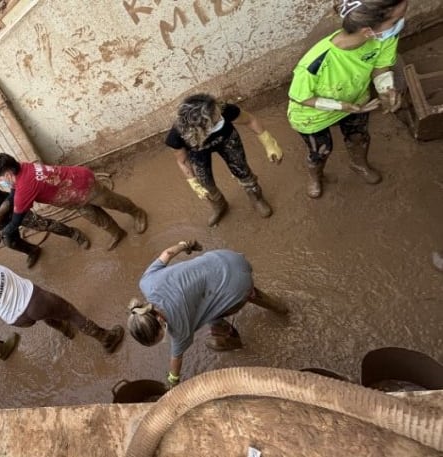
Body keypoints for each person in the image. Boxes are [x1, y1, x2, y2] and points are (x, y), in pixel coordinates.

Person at [126, 241, 288, 387]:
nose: (164, 338)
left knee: (213, 314)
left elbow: (177, 358)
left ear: (160, 320)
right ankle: (280, 308)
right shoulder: (146, 281)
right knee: (213, 298)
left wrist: (173, 381)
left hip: (238, 286)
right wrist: (185, 245)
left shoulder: (179, 330)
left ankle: (232, 340)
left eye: (159, 337)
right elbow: (167, 254)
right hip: (227, 258)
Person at [287, 0, 406, 198]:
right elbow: (301, 97)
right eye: (396, 19)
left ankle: (359, 164)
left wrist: (386, 89)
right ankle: (316, 176)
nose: (402, 22)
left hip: (358, 102)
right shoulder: (315, 61)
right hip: (312, 114)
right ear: (368, 30)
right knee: (321, 151)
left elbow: (380, 67)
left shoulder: (384, 39)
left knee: (359, 136)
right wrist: (341, 106)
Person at [0, 235, 124, 353]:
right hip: (34, 301)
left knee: (44, 315)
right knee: (70, 313)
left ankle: (67, 332)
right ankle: (107, 339)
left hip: (15, 319)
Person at [165, 93, 284, 226]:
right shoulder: (178, 134)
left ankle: (256, 197)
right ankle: (219, 206)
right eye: (215, 116)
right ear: (201, 124)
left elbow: (250, 120)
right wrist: (192, 182)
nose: (219, 113)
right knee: (205, 183)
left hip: (226, 139)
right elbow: (182, 161)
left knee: (241, 169)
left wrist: (268, 142)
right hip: (197, 149)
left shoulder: (221, 109)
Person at [0, 153, 147, 251]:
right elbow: (13, 192)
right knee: (94, 217)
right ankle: (117, 232)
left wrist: (0, 236)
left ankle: (137, 212)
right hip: (70, 197)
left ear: (8, 174)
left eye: (0, 179)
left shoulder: (26, 185)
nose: (0, 182)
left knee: (113, 202)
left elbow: (16, 220)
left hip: (83, 184)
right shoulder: (21, 167)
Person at [0, 175, 90, 268]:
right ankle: (33, 250)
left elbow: (2, 210)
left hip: (15, 210)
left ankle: (75, 234)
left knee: (45, 225)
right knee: (11, 243)